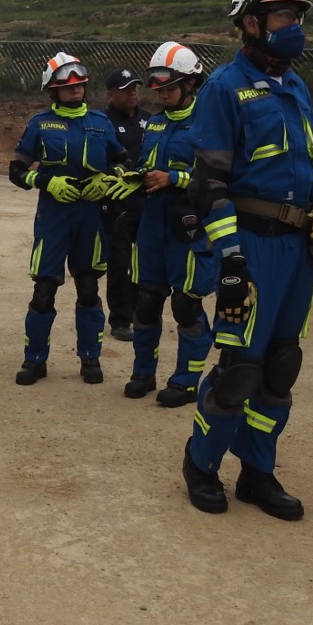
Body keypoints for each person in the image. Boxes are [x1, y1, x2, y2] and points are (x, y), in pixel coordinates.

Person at [181, 0, 313, 522]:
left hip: (294, 251)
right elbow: (209, 185)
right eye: (282, 13)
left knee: (280, 366)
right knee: (239, 369)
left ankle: (257, 472)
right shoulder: (224, 88)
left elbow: (308, 162)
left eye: (298, 14)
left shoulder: (296, 86)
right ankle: (202, 464)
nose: (293, 23)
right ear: (249, 23)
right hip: (248, 245)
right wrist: (230, 257)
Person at [8, 52, 128, 385]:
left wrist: (107, 180)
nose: (75, 90)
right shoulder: (39, 124)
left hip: (90, 219)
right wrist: (47, 181)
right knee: (44, 290)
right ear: (53, 90)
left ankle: (90, 359)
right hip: (53, 218)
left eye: (79, 85)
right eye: (66, 86)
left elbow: (124, 161)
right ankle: (34, 361)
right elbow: (16, 171)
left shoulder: (102, 123)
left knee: (89, 289)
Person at [115, 43, 217, 408]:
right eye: (157, 90)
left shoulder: (207, 123)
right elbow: (146, 164)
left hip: (188, 228)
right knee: (145, 303)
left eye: (169, 88)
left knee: (186, 306)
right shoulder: (155, 122)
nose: (162, 95)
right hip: (151, 226)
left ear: (191, 83)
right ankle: (143, 373)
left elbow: (218, 177)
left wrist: (174, 178)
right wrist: (133, 178)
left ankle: (186, 381)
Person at [100, 67, 148, 341]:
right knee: (119, 263)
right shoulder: (101, 121)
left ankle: (142, 315)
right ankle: (120, 319)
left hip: (146, 202)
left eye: (136, 87)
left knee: (144, 262)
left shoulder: (150, 120)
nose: (132, 93)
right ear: (110, 94)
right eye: (126, 89)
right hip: (116, 204)